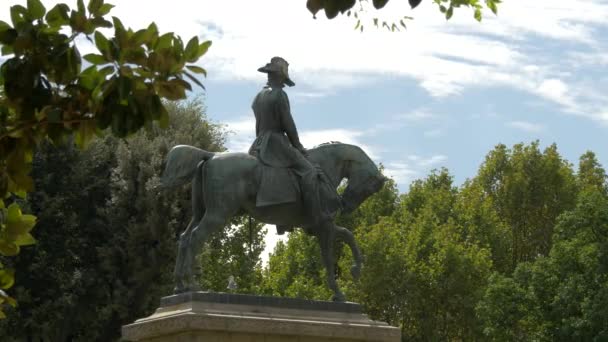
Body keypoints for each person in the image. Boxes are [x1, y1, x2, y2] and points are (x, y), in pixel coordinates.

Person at [248, 57, 337, 228]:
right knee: (310, 172)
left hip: (258, 142)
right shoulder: (280, 95)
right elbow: (288, 124)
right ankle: (314, 216)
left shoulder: (258, 97)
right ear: (280, 77)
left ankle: (283, 220)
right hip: (276, 142)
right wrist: (298, 146)